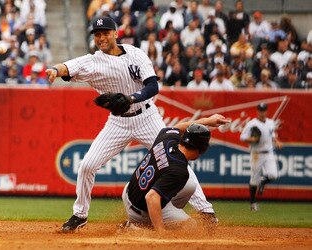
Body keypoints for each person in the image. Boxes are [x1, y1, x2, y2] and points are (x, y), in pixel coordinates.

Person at [46, 16, 218, 233]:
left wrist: (131, 98)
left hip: (147, 116)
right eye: (97, 34)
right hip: (118, 122)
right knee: (87, 165)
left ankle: (205, 210)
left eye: (106, 33)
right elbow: (66, 67)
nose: (101, 38)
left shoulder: (136, 54)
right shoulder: (92, 62)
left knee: (177, 158)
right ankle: (80, 215)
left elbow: (153, 86)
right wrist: (54, 69)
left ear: (116, 33)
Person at [122, 114, 229, 231]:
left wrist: (207, 121)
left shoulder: (167, 138)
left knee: (190, 186)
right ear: (201, 150)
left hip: (129, 192)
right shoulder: (179, 170)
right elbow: (151, 197)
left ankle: (160, 219)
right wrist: (161, 233)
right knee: (191, 227)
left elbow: (179, 127)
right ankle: (136, 228)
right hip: (142, 210)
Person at [240, 103, 282, 211]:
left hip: (269, 152)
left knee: (273, 175)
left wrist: (276, 141)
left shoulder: (271, 122)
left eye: (263, 110)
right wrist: (251, 139)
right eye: (260, 110)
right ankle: (253, 203)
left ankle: (263, 182)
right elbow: (242, 137)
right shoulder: (251, 123)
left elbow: (272, 134)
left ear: (266, 111)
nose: (262, 112)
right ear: (257, 111)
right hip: (256, 153)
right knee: (254, 179)